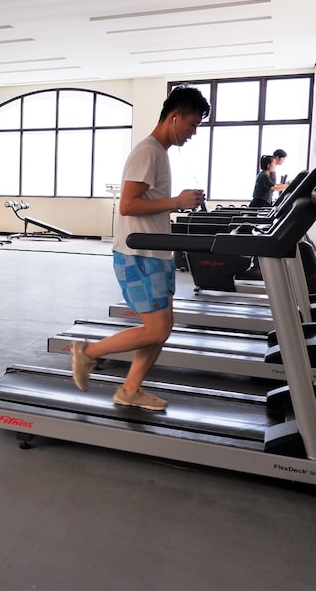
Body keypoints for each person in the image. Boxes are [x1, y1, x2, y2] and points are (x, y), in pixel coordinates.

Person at [68, 85, 209, 411]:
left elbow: (148, 202)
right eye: (192, 124)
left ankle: (130, 389)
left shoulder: (159, 153)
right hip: (139, 255)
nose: (193, 133)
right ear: (174, 117)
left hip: (155, 253)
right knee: (157, 329)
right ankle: (87, 352)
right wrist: (176, 201)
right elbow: (128, 205)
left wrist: (177, 203)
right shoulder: (148, 152)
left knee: (161, 330)